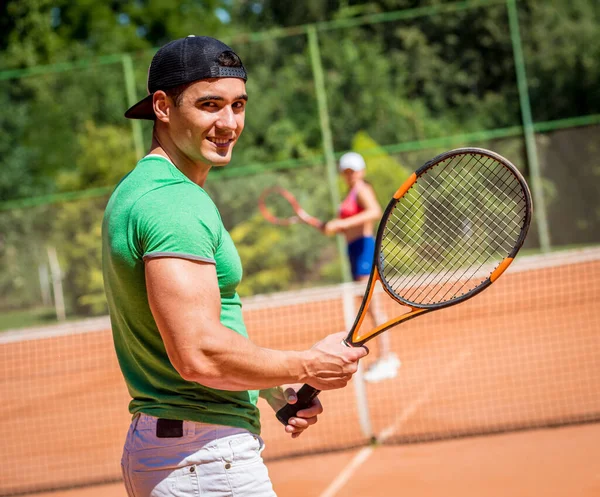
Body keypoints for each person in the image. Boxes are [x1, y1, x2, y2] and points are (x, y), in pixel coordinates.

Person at [101, 35, 368, 497]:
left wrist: (269, 390)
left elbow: (199, 332)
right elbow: (198, 353)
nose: (228, 123)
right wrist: (305, 365)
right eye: (209, 105)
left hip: (183, 452)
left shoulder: (144, 188)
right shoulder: (173, 203)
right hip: (203, 461)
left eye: (238, 105)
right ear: (162, 107)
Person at [323, 152, 401, 383]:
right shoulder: (350, 193)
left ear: (362, 171)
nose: (350, 175)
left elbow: (375, 211)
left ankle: (386, 359)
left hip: (365, 249)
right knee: (368, 308)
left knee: (374, 307)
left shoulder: (362, 189)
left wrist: (343, 223)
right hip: (354, 250)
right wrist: (331, 226)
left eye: (353, 170)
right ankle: (386, 357)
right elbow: (344, 226)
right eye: (346, 171)